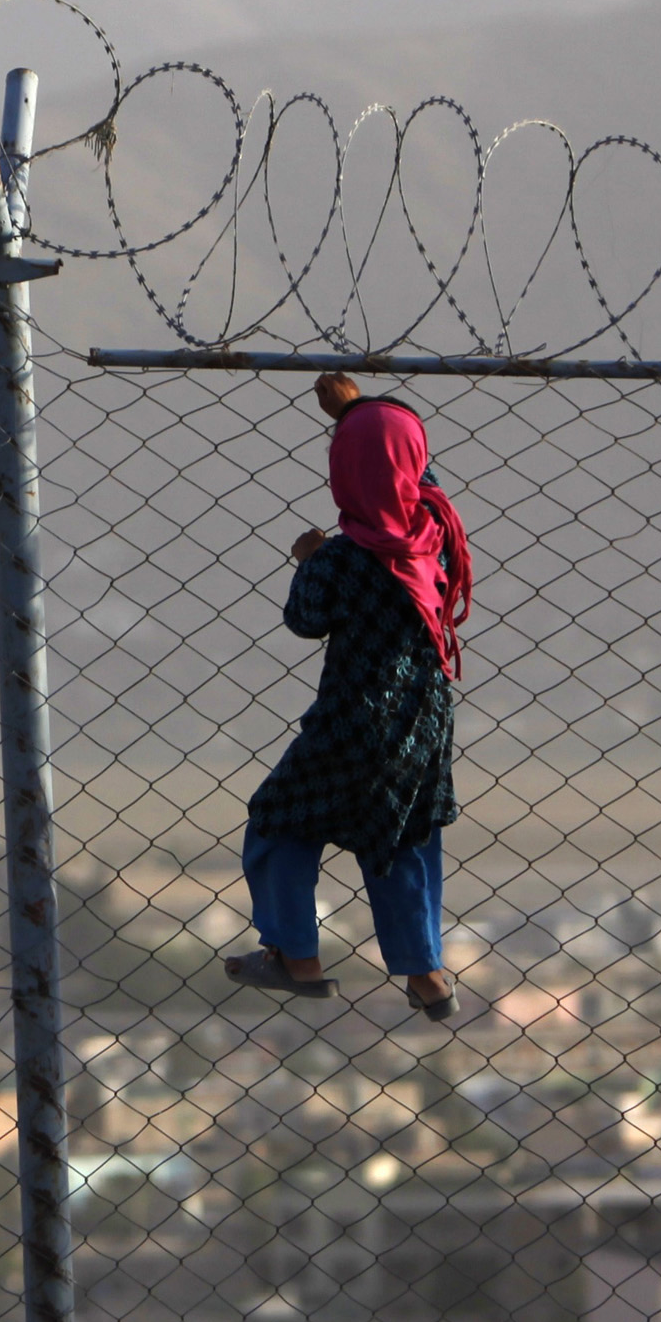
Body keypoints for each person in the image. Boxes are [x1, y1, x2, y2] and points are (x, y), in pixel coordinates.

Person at [228, 372, 473, 1021]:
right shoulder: (434, 534)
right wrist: (361, 412)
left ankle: (294, 956)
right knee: (400, 835)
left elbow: (306, 618)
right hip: (422, 719)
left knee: (280, 818)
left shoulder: (344, 560)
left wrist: (310, 556)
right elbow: (410, 468)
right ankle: (427, 975)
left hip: (353, 718)